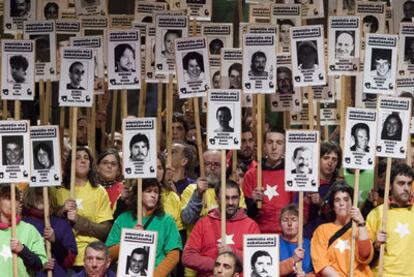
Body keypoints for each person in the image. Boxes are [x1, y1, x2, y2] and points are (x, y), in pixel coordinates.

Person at [51, 146, 113, 270]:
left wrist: (79, 221)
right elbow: (48, 222)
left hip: (90, 257)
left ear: (90, 165)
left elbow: (106, 230)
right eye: (77, 158)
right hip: (63, 255)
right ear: (70, 164)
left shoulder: (99, 192)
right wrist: (61, 211)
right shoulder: (57, 190)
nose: (83, 160)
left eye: (86, 158)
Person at [182, 180, 260, 277]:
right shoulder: (203, 223)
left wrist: (233, 252)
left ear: (240, 199)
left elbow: (257, 260)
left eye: (234, 198)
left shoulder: (251, 226)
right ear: (216, 199)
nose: (231, 203)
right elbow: (187, 257)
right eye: (226, 198)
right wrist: (217, 265)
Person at [106, 178, 182, 276]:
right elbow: (108, 255)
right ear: (138, 193)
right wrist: (130, 239)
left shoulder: (167, 220)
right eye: (148, 191)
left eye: (156, 191)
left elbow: (174, 256)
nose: (153, 195)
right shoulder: (123, 219)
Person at [311, 183, 374, 276]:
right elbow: (321, 263)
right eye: (337, 200)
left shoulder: (361, 229)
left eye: (346, 199)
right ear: (333, 206)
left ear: (353, 203)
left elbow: (365, 256)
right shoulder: (321, 230)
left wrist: (361, 223)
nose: (341, 203)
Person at [243, 128, 294, 233]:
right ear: (264, 146)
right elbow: (246, 214)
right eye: (270, 142)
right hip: (259, 234)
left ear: (285, 147)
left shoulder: (293, 174)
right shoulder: (252, 174)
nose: (274, 147)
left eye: (279, 143)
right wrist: (252, 202)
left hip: (286, 233)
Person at [366, 163, 414, 276]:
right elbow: (363, 256)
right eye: (401, 183)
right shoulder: (376, 213)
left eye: (409, 183)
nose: (406, 188)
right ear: (390, 185)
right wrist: (375, 245)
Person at [22, 187, 77, 276]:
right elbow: (17, 260)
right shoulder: (22, 225)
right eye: (39, 194)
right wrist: (39, 264)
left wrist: (55, 242)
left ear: (50, 198)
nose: (42, 198)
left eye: (46, 194)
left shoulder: (62, 224)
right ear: (31, 196)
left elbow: (69, 261)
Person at [0, 185, 48, 276]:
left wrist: (23, 250)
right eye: (8, 198)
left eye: (16, 198)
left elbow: (39, 265)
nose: (13, 202)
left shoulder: (29, 230)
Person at [303, 141, 342, 238]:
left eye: (334, 159)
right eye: (326, 158)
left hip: (331, 237)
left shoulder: (340, 186)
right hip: (308, 236)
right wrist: (306, 201)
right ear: (317, 159)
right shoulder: (304, 183)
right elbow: (299, 219)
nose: (330, 163)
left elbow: (341, 217)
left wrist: (322, 203)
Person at [279, 204, 314, 276]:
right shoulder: (274, 243)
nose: (289, 224)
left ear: (301, 223)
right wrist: (293, 260)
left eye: (293, 220)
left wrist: (307, 276)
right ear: (280, 224)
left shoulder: (309, 244)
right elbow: (269, 271)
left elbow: (318, 272)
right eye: (285, 220)